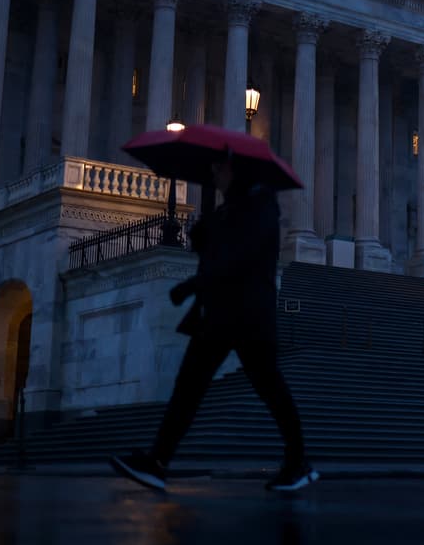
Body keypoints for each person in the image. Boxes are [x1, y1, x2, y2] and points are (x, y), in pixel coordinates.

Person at [111, 154, 317, 492]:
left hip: (249, 315)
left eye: (220, 166)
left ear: (237, 170)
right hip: (222, 315)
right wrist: (203, 239)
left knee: (270, 390)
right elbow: (219, 257)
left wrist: (192, 285)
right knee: (189, 387)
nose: (214, 171)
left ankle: (298, 460)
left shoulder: (261, 206)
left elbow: (241, 259)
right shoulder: (229, 208)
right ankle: (157, 460)